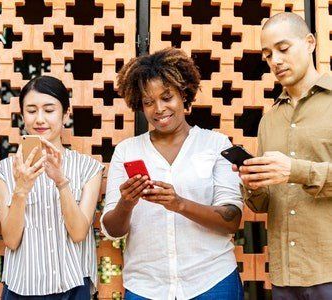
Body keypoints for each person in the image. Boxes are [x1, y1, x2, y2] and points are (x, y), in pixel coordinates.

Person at [101, 47, 244, 300]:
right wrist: (126, 203)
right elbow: (113, 230)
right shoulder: (127, 151)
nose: (159, 108)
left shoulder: (216, 145)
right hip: (146, 286)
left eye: (167, 97)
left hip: (212, 281)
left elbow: (231, 219)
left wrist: (179, 204)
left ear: (183, 94)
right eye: (148, 102)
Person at [236, 12, 332, 299]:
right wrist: (252, 185)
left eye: (283, 49)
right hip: (284, 274)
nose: (275, 60)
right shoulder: (270, 119)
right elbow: (265, 203)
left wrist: (296, 171)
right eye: (267, 55)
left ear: (310, 42)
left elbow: (294, 173)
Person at [0, 75, 104, 299]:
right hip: (21, 286)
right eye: (32, 110)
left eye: (49, 110)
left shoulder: (88, 168)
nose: (40, 119)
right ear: (23, 115)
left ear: (65, 114)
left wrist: (61, 182)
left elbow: (79, 233)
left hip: (73, 283)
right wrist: (21, 189)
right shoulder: (5, 170)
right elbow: (11, 240)